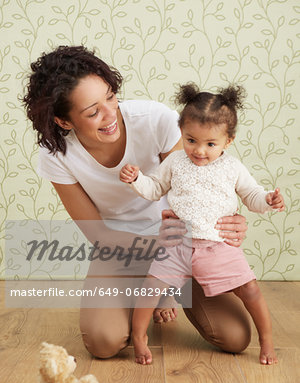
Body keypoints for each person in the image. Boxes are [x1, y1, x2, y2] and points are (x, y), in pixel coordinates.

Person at [23, 45, 249, 360]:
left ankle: (165, 292)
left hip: (183, 244)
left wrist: (230, 220)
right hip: (120, 246)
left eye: (111, 96)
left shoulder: (155, 120)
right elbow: (98, 234)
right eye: (92, 112)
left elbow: (202, 190)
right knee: (103, 342)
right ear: (64, 121)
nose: (110, 113)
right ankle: (145, 293)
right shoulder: (56, 156)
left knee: (236, 336)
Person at [120, 83, 285, 366]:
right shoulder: (175, 161)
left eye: (211, 144)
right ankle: (139, 338)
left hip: (218, 246)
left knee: (251, 289)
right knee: (150, 288)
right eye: (191, 140)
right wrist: (137, 179)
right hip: (177, 244)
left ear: (228, 141)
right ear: (182, 132)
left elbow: (251, 195)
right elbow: (155, 188)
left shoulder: (232, 168)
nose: (199, 151)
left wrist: (268, 199)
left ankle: (266, 340)